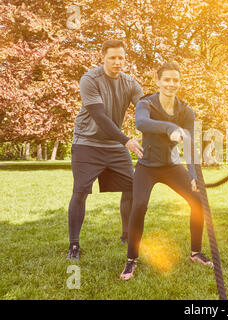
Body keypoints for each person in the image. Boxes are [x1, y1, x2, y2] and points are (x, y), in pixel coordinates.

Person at [120, 62, 212, 280]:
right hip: (147, 167)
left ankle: (196, 252)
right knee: (139, 205)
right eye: (167, 80)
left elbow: (189, 144)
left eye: (176, 80)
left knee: (197, 201)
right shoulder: (146, 104)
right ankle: (131, 259)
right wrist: (170, 128)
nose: (172, 84)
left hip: (172, 166)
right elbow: (141, 123)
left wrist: (193, 175)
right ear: (158, 81)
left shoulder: (186, 111)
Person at [67, 40, 144, 261]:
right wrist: (126, 140)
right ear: (103, 57)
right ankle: (74, 245)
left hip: (113, 145)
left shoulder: (130, 83)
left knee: (132, 186)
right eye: (112, 57)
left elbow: (144, 109)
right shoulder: (90, 79)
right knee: (80, 191)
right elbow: (100, 116)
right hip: (86, 143)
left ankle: (127, 235)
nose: (117, 62)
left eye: (121, 57)